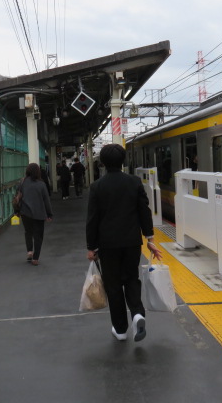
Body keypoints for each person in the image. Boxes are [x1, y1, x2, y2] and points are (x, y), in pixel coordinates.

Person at [86, 144, 162, 342]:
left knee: (113, 285)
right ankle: (137, 313)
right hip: (131, 242)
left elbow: (92, 219)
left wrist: (91, 247)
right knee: (131, 279)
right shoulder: (134, 182)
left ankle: (120, 329)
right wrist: (150, 238)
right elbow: (144, 211)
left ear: (102, 163)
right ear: (123, 161)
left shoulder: (97, 186)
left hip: (107, 244)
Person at [18, 163, 53, 266]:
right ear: (38, 172)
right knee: (38, 236)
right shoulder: (41, 184)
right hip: (39, 213)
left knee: (28, 232)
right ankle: (35, 258)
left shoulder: (22, 182)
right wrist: (49, 214)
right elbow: (46, 200)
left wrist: (17, 211)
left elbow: (18, 196)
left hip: (25, 212)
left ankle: (29, 251)